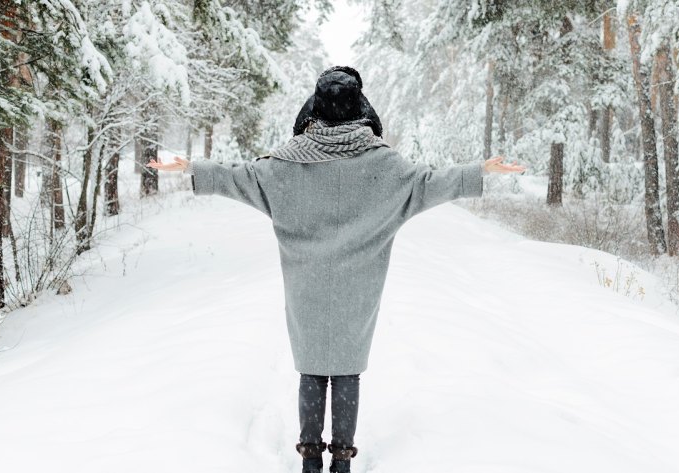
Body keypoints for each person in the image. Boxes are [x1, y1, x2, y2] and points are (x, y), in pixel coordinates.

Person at [148, 66, 526, 473]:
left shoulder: (285, 165)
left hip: (306, 288)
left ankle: (311, 456)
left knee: (311, 370)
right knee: (346, 371)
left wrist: (191, 169)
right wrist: (481, 171)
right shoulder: (386, 167)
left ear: (315, 109)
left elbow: (236, 178)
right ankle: (341, 459)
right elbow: (431, 182)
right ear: (360, 108)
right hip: (357, 290)